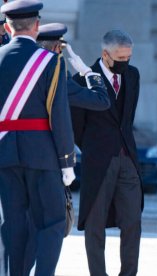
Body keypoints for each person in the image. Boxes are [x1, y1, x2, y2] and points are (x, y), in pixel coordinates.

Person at [22, 22, 111, 275]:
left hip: (10, 159)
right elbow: (101, 100)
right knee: (52, 223)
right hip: (47, 161)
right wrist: (84, 69)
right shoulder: (57, 73)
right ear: (58, 49)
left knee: (21, 226)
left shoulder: (11, 67)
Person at [0, 1, 75, 275]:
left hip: (4, 152)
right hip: (42, 154)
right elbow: (59, 114)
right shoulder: (50, 61)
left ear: (8, 27)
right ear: (36, 26)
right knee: (52, 222)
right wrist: (67, 161)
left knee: (13, 224)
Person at [70, 30, 143, 276]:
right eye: (121, 58)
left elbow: (128, 117)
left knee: (133, 221)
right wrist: (94, 147)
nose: (126, 63)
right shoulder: (82, 80)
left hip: (128, 160)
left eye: (129, 57)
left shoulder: (133, 75)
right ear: (105, 54)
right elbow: (76, 126)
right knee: (95, 224)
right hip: (98, 161)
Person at [37, 22, 110, 111]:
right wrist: (88, 72)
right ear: (56, 47)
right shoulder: (55, 73)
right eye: (62, 47)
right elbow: (101, 101)